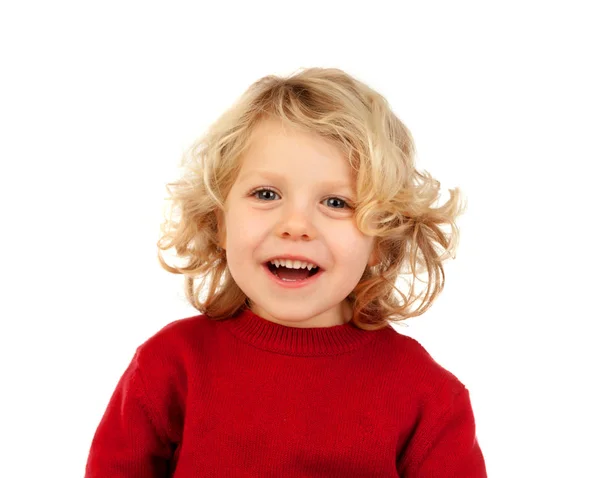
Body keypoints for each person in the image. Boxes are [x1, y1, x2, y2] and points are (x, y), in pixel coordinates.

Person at [85, 67, 487, 477]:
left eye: (336, 202)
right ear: (220, 221)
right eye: (266, 194)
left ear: (381, 239)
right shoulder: (170, 367)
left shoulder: (428, 398)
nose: (295, 225)